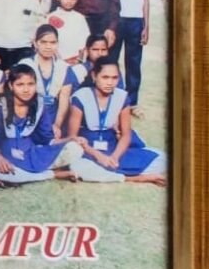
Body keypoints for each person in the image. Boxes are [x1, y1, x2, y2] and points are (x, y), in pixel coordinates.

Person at [66, 57, 167, 185]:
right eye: (105, 77)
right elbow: (72, 137)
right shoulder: (80, 96)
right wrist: (98, 156)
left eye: (114, 78)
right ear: (94, 76)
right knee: (77, 166)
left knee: (162, 159)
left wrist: (115, 157)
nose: (110, 82)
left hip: (112, 146)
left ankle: (111, 173)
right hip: (87, 148)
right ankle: (135, 178)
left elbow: (126, 135)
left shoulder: (122, 96)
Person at [0, 64, 84, 184]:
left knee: (75, 149)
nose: (26, 90)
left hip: (32, 153)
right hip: (7, 155)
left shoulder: (39, 104)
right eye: (20, 85)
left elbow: (47, 139)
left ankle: (34, 173)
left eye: (30, 84)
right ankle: (54, 174)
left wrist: (70, 139)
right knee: (4, 174)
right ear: (10, 85)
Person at [111, 0, 155, 111]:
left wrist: (146, 26)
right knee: (111, 60)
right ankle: (111, 99)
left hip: (135, 21)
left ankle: (131, 103)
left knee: (134, 63)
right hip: (116, 20)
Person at [17, 24, 74, 137]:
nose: (48, 46)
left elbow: (64, 101)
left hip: (53, 119)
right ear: (35, 43)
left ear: (57, 44)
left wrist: (57, 125)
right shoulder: (25, 64)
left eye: (53, 42)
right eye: (43, 42)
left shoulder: (64, 67)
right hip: (29, 117)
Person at [47, 0, 90, 64]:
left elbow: (86, 42)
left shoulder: (80, 18)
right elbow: (49, 42)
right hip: (57, 62)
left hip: (77, 61)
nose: (69, 1)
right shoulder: (51, 17)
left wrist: (79, 60)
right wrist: (61, 62)